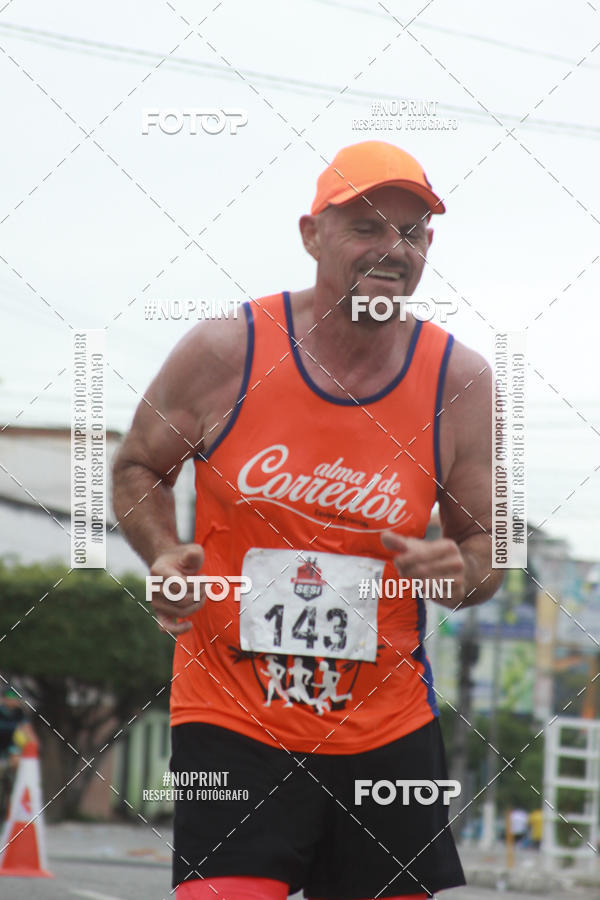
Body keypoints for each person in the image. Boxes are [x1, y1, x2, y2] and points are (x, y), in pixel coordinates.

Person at [113, 140, 503, 899]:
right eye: (365, 227)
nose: (392, 249)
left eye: (413, 232)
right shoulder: (227, 349)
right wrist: (162, 552)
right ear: (310, 234)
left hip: (387, 725)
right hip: (231, 715)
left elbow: (487, 543)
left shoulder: (459, 380)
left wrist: (463, 572)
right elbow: (135, 466)